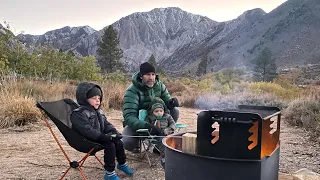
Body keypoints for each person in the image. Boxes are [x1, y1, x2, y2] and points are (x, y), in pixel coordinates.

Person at [71, 82, 134, 180]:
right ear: (85, 99)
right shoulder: (79, 114)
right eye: (93, 98)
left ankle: (122, 164)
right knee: (110, 145)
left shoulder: (99, 111)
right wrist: (103, 137)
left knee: (118, 142)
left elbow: (106, 124)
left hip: (100, 137)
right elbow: (87, 130)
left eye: (99, 98)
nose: (97, 101)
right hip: (87, 141)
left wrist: (114, 132)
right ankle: (109, 173)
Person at [121, 62, 180, 152]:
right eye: (148, 74)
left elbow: (167, 103)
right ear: (141, 76)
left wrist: (171, 103)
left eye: (153, 74)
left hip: (157, 118)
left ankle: (161, 141)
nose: (151, 77)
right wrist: (148, 126)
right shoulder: (132, 91)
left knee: (175, 111)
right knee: (128, 143)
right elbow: (129, 117)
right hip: (140, 121)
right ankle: (138, 142)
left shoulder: (160, 86)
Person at [145, 97, 176, 167]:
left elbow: (173, 124)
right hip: (156, 135)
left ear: (163, 111)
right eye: (156, 111)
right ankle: (164, 158)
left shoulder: (167, 116)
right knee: (162, 141)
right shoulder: (150, 117)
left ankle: (174, 156)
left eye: (161, 111)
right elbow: (146, 125)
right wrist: (151, 129)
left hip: (167, 133)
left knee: (174, 140)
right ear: (152, 112)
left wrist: (169, 129)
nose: (159, 113)